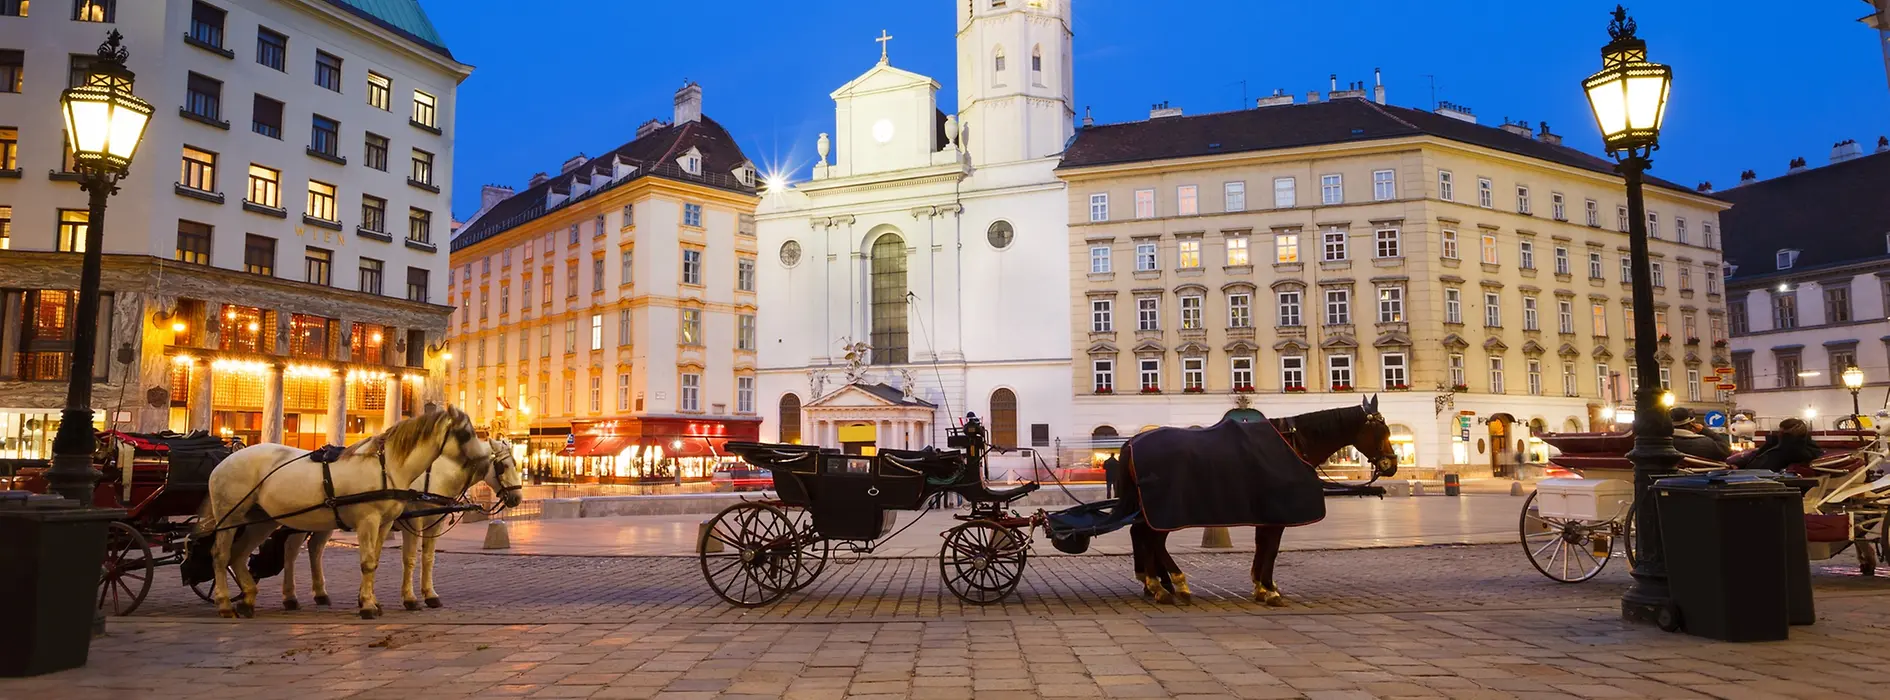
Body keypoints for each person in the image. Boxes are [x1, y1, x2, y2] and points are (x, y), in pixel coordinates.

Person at [1729, 418, 1825, 473]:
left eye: (1782, 431)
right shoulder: (1775, 443)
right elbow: (1756, 456)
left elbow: (1764, 461)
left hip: (1762, 479)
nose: (1779, 432)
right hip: (1751, 475)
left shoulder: (1794, 449)